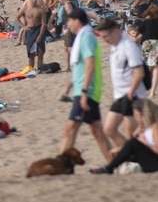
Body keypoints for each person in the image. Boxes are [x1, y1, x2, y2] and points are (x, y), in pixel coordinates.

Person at [63, 10, 114, 162]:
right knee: (97, 131)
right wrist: (69, 87)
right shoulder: (83, 36)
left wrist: (84, 92)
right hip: (84, 89)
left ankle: (62, 165)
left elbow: (90, 63)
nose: (68, 25)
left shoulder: (86, 36)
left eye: (69, 21)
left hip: (87, 91)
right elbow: (81, 67)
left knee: (70, 129)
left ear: (77, 21)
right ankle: (114, 164)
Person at [97, 18, 148, 151]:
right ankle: (132, 156)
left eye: (105, 36)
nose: (104, 40)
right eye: (101, 37)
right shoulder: (115, 45)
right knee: (109, 129)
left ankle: (136, 158)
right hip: (119, 96)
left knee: (131, 133)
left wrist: (131, 92)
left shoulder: (129, 46)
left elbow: (139, 72)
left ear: (115, 31)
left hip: (133, 96)